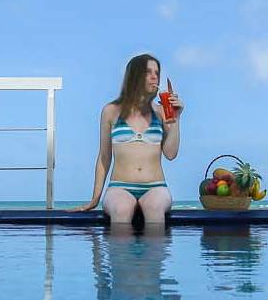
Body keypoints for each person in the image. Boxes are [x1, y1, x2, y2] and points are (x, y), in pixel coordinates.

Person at [70, 53, 184, 229]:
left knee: (154, 209)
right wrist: (95, 198)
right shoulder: (111, 111)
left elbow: (170, 154)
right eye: (148, 72)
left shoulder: (161, 112)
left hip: (155, 186)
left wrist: (176, 119)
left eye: (157, 73)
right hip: (120, 186)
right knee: (121, 210)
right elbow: (104, 157)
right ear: (134, 76)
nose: (155, 77)